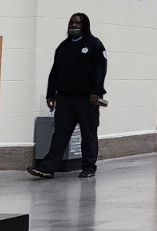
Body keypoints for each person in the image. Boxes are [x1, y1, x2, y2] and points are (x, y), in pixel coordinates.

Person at [28, 13, 108, 180]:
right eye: (71, 22)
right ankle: (47, 168)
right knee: (60, 133)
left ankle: (88, 167)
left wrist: (96, 92)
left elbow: (100, 70)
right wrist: (51, 93)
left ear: (84, 25)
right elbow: (55, 72)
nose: (73, 25)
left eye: (77, 23)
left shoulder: (94, 45)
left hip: (87, 99)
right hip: (65, 98)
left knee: (88, 133)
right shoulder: (63, 47)